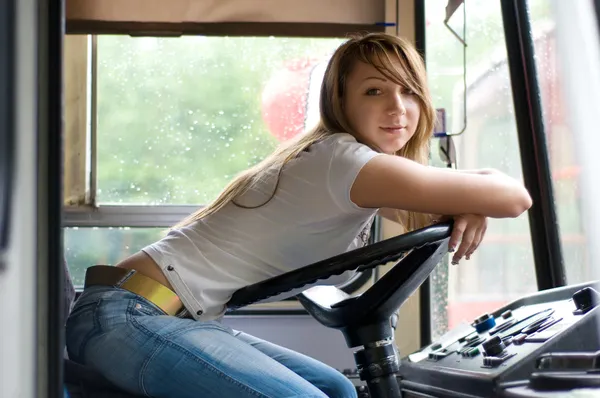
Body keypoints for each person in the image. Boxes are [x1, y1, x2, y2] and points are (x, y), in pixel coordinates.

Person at [65, 32, 532, 398]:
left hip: (164, 318)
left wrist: (467, 204)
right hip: (125, 316)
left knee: (337, 389)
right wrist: (476, 200)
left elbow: (436, 211)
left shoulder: (350, 167)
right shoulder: (347, 163)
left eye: (409, 92)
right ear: (341, 104)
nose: (397, 108)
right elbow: (514, 197)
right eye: (375, 91)